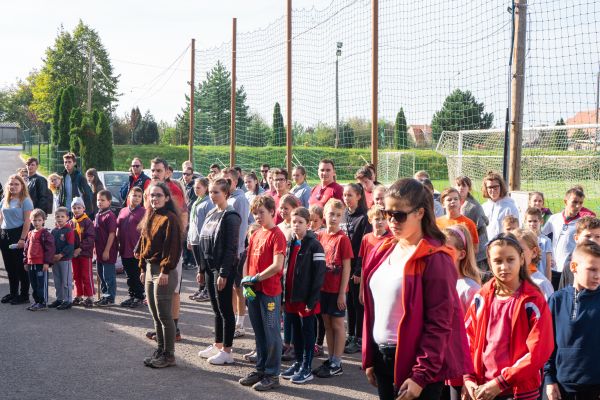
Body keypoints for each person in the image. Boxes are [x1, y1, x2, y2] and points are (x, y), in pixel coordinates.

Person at [362, 178, 471, 400]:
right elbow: (372, 309)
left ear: (420, 213)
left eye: (399, 215)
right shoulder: (383, 249)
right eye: (386, 213)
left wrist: (421, 375)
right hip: (383, 359)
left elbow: (440, 323)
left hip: (417, 364)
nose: (392, 220)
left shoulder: (436, 258)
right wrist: (370, 357)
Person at [463, 233, 554, 400]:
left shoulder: (533, 300)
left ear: (521, 259)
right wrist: (468, 377)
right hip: (482, 388)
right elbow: (468, 338)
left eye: (510, 260)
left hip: (519, 391)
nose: (504, 267)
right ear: (489, 262)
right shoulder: (481, 297)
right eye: (497, 261)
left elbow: (539, 350)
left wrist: (502, 382)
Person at [239, 195, 287, 391]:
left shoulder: (277, 235)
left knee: (271, 332)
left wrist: (256, 278)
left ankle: (272, 374)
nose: (258, 217)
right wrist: (246, 283)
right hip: (253, 290)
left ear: (272, 212)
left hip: (269, 292)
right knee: (258, 331)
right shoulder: (256, 234)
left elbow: (277, 266)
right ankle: (260, 369)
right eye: (255, 213)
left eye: (262, 213)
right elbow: (247, 261)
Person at [544, 241, 600, 400]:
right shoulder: (557, 300)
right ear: (574, 267)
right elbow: (547, 343)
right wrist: (549, 379)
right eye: (592, 269)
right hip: (562, 387)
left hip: (595, 387)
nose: (598, 275)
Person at [196, 178, 241, 365]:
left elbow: (231, 248)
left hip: (223, 268)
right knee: (216, 310)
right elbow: (204, 242)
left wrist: (223, 273)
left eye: (217, 192)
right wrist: (202, 268)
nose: (213, 196)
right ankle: (218, 344)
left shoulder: (231, 216)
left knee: (225, 310)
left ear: (226, 194)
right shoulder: (212, 213)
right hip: (209, 267)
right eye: (211, 192)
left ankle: (227, 351)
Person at [280, 207, 326, 384]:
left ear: (308, 224)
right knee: (295, 334)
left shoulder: (314, 245)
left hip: (306, 300)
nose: (297, 225)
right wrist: (284, 297)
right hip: (291, 298)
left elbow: (319, 275)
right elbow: (285, 271)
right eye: (294, 222)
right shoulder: (291, 242)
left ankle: (306, 367)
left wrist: (312, 300)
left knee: (307, 333)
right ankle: (298, 362)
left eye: (301, 222)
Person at [139, 182, 182, 369]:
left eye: (158, 195)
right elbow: (143, 245)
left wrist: (165, 270)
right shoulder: (150, 214)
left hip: (164, 272)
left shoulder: (170, 218)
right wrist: (142, 268)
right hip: (149, 270)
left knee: (165, 315)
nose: (154, 198)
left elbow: (173, 248)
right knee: (155, 316)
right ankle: (160, 349)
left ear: (166, 197)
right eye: (151, 195)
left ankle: (169, 355)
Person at [145, 158, 187, 341]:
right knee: (156, 300)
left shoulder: (173, 190)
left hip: (170, 251)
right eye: (153, 170)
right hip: (154, 254)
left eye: (159, 170)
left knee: (174, 290)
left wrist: (176, 239)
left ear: (167, 172)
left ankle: (174, 329)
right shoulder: (150, 187)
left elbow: (182, 215)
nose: (155, 173)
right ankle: (161, 331)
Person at [313, 199, 353, 378]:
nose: (334, 218)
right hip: (323, 288)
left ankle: (337, 362)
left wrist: (342, 293)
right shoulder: (320, 235)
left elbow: (347, 268)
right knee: (327, 324)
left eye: (338, 215)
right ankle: (331, 358)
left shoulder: (343, 239)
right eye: (331, 214)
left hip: (337, 290)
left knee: (337, 325)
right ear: (324, 215)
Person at [341, 183, 372, 355]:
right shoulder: (344, 215)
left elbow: (363, 246)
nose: (347, 199)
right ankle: (351, 334)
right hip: (345, 267)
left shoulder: (364, 217)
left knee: (357, 303)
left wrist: (359, 270)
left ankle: (360, 338)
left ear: (359, 196)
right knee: (349, 304)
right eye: (345, 195)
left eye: (350, 195)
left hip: (356, 268)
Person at [542, 187, 584, 289]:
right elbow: (542, 236)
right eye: (574, 202)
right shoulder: (554, 218)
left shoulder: (582, 223)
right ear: (565, 201)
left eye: (581, 203)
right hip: (552, 268)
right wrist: (547, 256)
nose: (578, 206)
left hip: (569, 270)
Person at [0, 174, 33, 305]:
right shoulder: (4, 200)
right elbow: (1, 218)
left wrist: (22, 239)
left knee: (20, 267)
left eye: (16, 184)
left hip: (18, 234)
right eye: (11, 184)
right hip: (4, 234)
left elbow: (27, 222)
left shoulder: (25, 200)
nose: (13, 187)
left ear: (22, 186)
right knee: (9, 267)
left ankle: (24, 295)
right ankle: (13, 293)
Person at [117, 187, 146, 308]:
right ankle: (132, 295)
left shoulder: (144, 212)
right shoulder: (123, 210)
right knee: (129, 274)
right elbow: (118, 227)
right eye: (134, 195)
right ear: (129, 196)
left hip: (136, 249)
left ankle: (139, 296)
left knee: (136, 273)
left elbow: (145, 231)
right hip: (124, 247)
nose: (136, 198)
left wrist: (141, 249)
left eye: (139, 196)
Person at [356, 205, 391, 306]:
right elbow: (364, 265)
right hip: (368, 282)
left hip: (384, 284)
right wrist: (361, 289)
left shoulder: (392, 239)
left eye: (383, 219)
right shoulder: (366, 238)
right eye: (377, 219)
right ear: (370, 220)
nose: (380, 222)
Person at [443, 224, 481, 314]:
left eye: (448, 249)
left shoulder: (470, 289)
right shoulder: (436, 283)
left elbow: (476, 325)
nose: (442, 253)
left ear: (461, 254)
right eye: (440, 248)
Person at [188, 177, 214, 302]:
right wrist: (189, 238)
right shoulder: (196, 202)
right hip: (194, 239)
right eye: (194, 187)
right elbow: (192, 222)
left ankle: (208, 290)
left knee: (206, 266)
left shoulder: (208, 203)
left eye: (198, 187)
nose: (196, 189)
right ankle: (201, 287)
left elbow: (208, 224)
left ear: (206, 188)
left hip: (202, 241)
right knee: (199, 266)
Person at [23, 208, 55, 311]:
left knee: (41, 284)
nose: (36, 222)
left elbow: (49, 249)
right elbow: (26, 248)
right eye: (34, 220)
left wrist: (47, 262)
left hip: (41, 263)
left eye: (39, 220)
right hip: (31, 263)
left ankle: (42, 302)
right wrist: (25, 261)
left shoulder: (45, 234)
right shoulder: (30, 233)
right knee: (34, 284)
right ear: (31, 221)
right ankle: (36, 302)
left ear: (43, 220)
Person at [67, 197, 96, 308]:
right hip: (74, 254)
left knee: (86, 275)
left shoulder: (87, 221)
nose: (76, 210)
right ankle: (78, 295)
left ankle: (89, 297)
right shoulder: (71, 223)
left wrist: (80, 248)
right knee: (76, 275)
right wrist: (72, 250)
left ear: (83, 208)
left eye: (79, 207)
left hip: (85, 253)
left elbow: (90, 237)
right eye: (74, 208)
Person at [455, 175, 489, 270]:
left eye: (464, 186)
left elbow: (480, 230)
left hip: (477, 253)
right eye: (458, 185)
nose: (460, 188)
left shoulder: (472, 207)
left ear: (469, 188)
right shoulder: (455, 202)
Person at [558, 216, 600, 289]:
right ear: (576, 238)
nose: (593, 240)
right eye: (588, 236)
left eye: (598, 236)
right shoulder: (570, 263)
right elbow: (564, 290)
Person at [512, 228, 554, 301]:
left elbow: (549, 310)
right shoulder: (509, 280)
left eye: (520, 250)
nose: (515, 254)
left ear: (534, 252)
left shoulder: (542, 284)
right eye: (512, 250)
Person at [93, 190, 118, 306]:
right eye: (98, 200)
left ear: (109, 202)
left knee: (108, 276)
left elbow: (112, 234)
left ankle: (110, 297)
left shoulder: (110, 216)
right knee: (101, 275)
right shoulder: (98, 214)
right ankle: (104, 295)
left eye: (103, 200)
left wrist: (107, 250)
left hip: (107, 251)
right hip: (98, 251)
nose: (100, 202)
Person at [49, 206, 75, 310]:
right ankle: (59, 299)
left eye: (62, 216)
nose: (60, 218)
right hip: (55, 260)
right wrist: (52, 255)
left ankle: (68, 300)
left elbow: (70, 246)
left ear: (67, 217)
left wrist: (61, 255)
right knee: (57, 280)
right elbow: (51, 245)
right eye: (57, 216)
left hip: (64, 260)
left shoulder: (69, 230)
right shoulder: (54, 231)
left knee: (66, 281)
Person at [481, 171, 519, 240]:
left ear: (501, 187)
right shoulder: (484, 207)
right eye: (490, 187)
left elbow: (516, 231)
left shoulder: (510, 207)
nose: (493, 190)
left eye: (495, 187)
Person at [524, 207, 553, 281]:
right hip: (526, 278)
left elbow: (548, 266)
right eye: (529, 221)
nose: (532, 224)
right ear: (525, 222)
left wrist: (548, 283)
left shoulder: (546, 241)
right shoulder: (523, 240)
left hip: (541, 279)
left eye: (535, 221)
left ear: (541, 222)